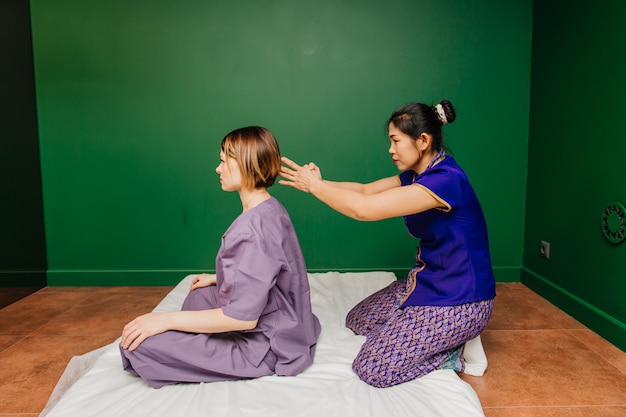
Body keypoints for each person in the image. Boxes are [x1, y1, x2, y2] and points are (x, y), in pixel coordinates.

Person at [279, 99, 496, 388]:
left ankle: (457, 351)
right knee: (358, 320)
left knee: (372, 369)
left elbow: (364, 210)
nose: (390, 149)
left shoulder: (446, 181)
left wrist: (316, 188)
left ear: (422, 140)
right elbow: (365, 192)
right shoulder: (417, 174)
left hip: (461, 300)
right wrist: (319, 183)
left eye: (396, 141)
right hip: (430, 282)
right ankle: (421, 330)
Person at [120, 126, 321, 388]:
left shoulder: (251, 229)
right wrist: (221, 277)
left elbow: (243, 319)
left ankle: (222, 352)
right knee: (198, 295)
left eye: (224, 161)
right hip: (287, 320)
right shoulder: (270, 207)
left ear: (248, 165)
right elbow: (272, 266)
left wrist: (164, 319)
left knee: (138, 346)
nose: (218, 169)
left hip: (269, 346)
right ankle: (204, 344)